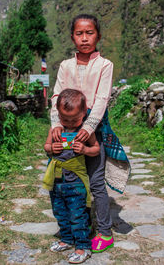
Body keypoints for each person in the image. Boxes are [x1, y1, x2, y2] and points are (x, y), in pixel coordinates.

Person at [50, 14, 130, 253]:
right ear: (72, 37)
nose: (84, 38)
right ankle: (75, 231)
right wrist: (56, 123)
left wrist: (87, 128)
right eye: (79, 33)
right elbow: (56, 95)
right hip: (65, 128)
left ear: (98, 35)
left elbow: (102, 98)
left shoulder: (105, 65)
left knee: (95, 183)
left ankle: (104, 232)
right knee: (68, 180)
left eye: (89, 33)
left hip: (92, 129)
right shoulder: (65, 66)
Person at [43, 89, 100, 264]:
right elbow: (46, 146)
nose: (69, 122)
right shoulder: (55, 130)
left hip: (76, 183)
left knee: (78, 214)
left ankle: (83, 247)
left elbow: (96, 148)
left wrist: (84, 150)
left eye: (74, 119)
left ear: (84, 113)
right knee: (60, 212)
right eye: (64, 118)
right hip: (57, 181)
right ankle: (66, 240)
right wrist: (52, 149)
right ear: (58, 114)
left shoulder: (85, 131)